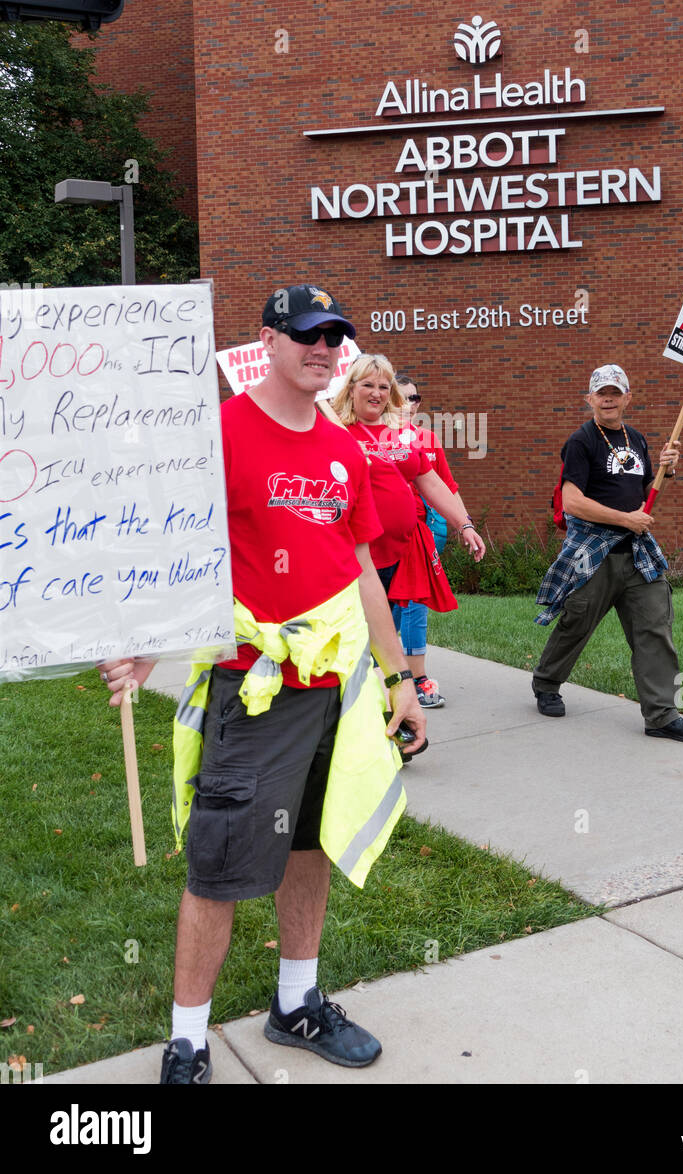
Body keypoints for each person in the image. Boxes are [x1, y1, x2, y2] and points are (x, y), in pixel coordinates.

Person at [99, 284, 427, 1084]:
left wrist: (400, 679)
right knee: (219, 867)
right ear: (269, 341)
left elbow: (362, 574)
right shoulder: (220, 435)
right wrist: (148, 648)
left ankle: (297, 1002)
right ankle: (187, 1040)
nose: (324, 350)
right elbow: (179, 552)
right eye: (307, 335)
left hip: (334, 691)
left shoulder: (345, 449)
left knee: (310, 843)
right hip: (252, 688)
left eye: (334, 338)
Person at [532, 363, 683, 743]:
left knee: (654, 627)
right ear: (590, 399)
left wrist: (667, 471)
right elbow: (572, 502)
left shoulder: (638, 439)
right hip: (593, 552)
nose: (608, 398)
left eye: (615, 392)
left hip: (637, 553)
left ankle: (661, 716)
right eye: (601, 392)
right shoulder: (582, 441)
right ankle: (546, 682)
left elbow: (645, 495)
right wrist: (625, 520)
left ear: (628, 397)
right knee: (577, 622)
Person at [331, 358, 485, 680]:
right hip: (357, 560)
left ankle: (389, 697)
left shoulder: (402, 433)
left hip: (397, 555)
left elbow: (429, 480)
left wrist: (464, 523)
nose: (376, 393)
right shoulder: (335, 430)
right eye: (368, 385)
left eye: (383, 387)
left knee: (387, 629)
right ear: (351, 388)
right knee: (358, 637)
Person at [392, 372, 456, 709]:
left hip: (419, 536)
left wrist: (465, 525)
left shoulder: (428, 440)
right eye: (401, 397)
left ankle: (418, 679)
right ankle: (385, 673)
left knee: (415, 606)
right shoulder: (371, 439)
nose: (409, 405)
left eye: (414, 398)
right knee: (387, 611)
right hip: (382, 541)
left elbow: (446, 487)